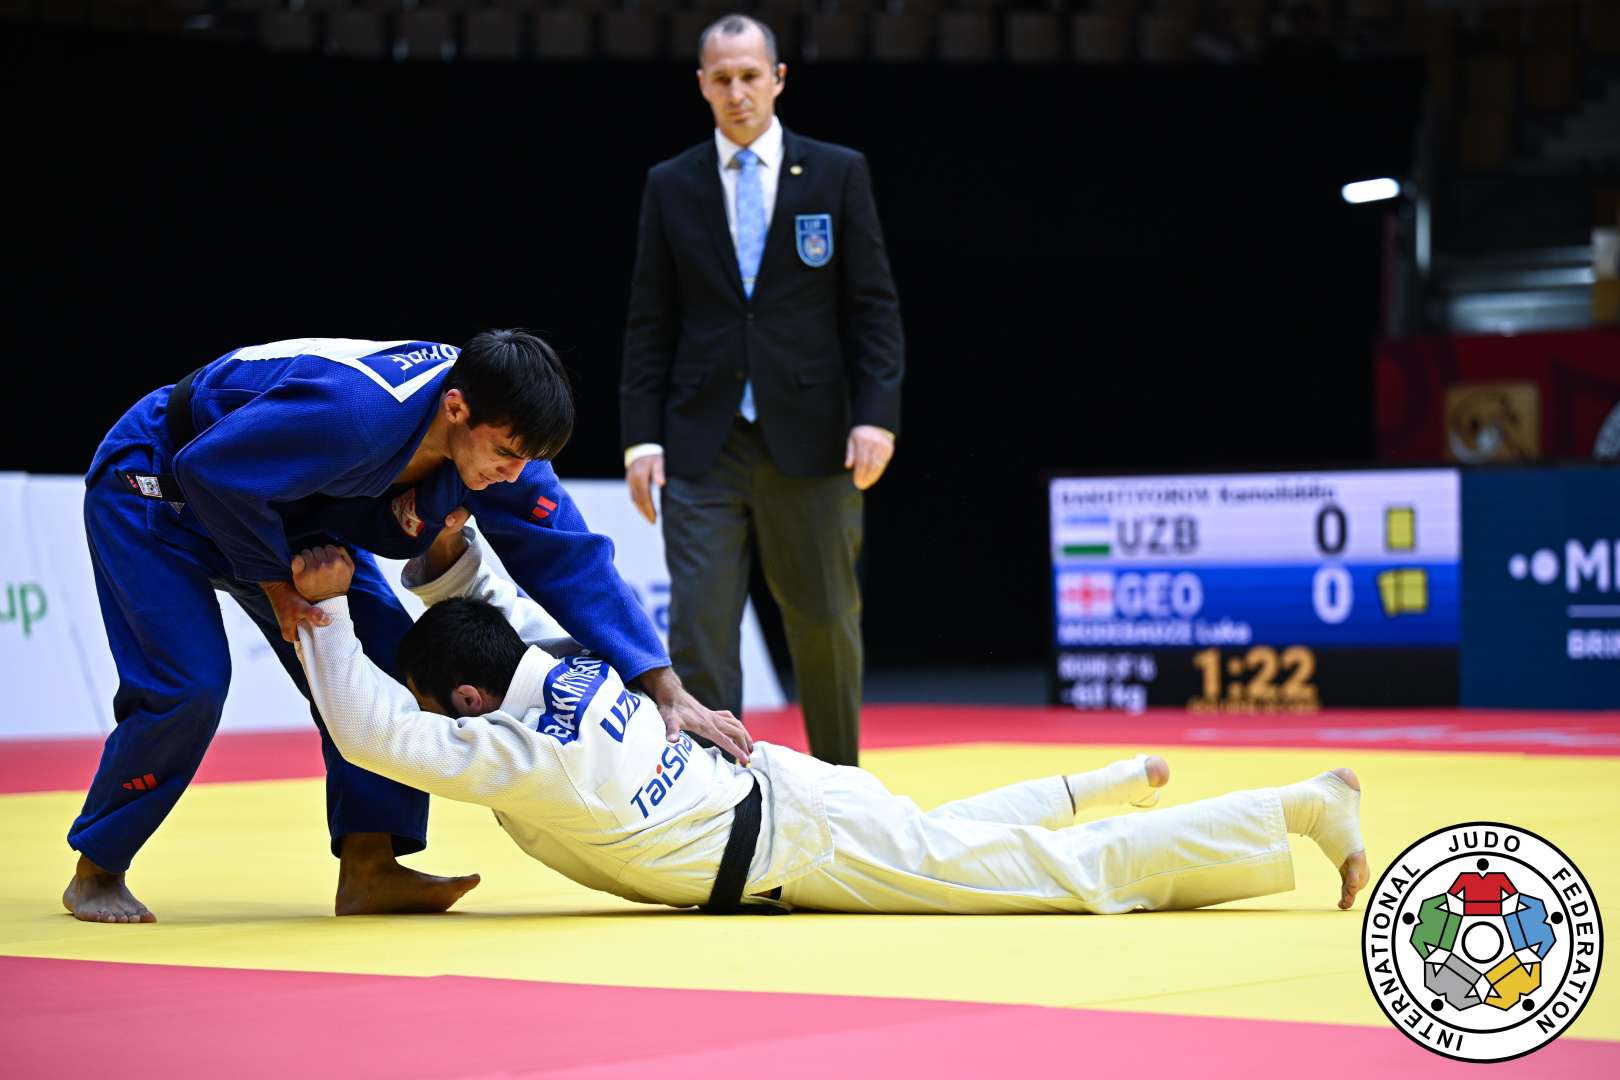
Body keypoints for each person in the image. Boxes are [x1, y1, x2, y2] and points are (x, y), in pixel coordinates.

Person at [289, 528, 1372, 917]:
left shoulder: (526, 757)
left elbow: (374, 735)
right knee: (949, 843)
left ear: (469, 703)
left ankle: (1298, 807)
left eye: (441, 707)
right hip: (792, 796)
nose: (438, 724)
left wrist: (326, 612)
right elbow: (494, 613)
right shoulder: (562, 662)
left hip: (802, 845)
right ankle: (1104, 783)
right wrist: (451, 557)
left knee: (1067, 882)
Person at [66, 331, 749, 924]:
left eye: (525, 461)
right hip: (159, 484)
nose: (513, 474)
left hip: (288, 512)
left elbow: (570, 556)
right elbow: (209, 469)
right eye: (505, 454)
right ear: (456, 409)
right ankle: (98, 867)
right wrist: (277, 587)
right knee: (189, 686)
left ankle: (371, 868)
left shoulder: (498, 428)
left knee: (397, 665)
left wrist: (660, 682)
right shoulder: (356, 416)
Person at [621, 13, 904, 767]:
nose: (737, 91)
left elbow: (873, 310)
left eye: (750, 75)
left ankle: (841, 786)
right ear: (702, 85)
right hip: (701, 441)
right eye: (722, 78)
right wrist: (641, 440)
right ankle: (722, 798)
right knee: (701, 627)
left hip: (815, 435)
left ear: (778, 78)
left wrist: (876, 418)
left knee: (825, 618)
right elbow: (649, 324)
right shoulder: (671, 183)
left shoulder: (836, 171)